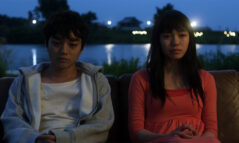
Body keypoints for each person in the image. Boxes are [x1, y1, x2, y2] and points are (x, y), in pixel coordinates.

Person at [1, 11, 114, 143]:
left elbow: (102, 124)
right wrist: (34, 139)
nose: (64, 51)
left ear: (82, 48)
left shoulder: (96, 81)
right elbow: (12, 121)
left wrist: (61, 139)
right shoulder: (24, 81)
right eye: (56, 43)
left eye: (72, 45)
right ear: (46, 44)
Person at [128, 10, 220, 143]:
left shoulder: (205, 79)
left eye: (182, 35)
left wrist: (197, 139)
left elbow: (211, 131)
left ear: (190, 39)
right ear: (158, 41)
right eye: (167, 36)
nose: (175, 42)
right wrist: (169, 137)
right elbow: (136, 132)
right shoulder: (141, 79)